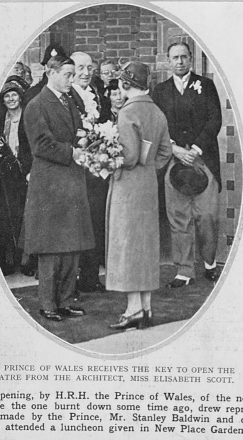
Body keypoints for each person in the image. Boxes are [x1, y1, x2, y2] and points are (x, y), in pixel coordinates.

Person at [22, 54, 94, 323]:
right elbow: (40, 144)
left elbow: (75, 132)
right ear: (50, 73)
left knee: (71, 246)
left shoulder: (68, 100)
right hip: (50, 185)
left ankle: (64, 300)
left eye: (73, 75)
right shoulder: (36, 105)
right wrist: (73, 151)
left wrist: (87, 141)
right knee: (52, 248)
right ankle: (48, 304)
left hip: (71, 182)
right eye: (67, 74)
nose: (71, 80)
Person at [105, 60, 173, 330]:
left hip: (128, 187)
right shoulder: (157, 112)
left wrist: (109, 160)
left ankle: (133, 309)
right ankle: (146, 307)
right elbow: (165, 152)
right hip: (147, 185)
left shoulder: (126, 112)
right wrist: (149, 168)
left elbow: (130, 156)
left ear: (125, 84)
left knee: (128, 245)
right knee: (145, 245)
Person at [152, 41, 223, 287]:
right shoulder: (159, 91)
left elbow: (215, 119)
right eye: (175, 58)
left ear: (191, 59)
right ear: (168, 61)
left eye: (184, 57)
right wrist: (174, 148)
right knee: (179, 217)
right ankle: (184, 271)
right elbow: (156, 125)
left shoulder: (206, 86)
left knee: (206, 216)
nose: (179, 61)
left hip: (203, 160)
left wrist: (194, 149)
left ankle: (210, 263)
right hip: (174, 160)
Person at [69, 50, 109, 293]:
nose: (85, 73)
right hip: (74, 169)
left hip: (94, 169)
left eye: (89, 68)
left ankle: (91, 276)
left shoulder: (95, 93)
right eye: (80, 68)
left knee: (95, 220)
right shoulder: (66, 95)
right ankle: (72, 279)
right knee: (76, 225)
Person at [0, 77, 31, 274]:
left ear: (20, 97)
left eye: (14, 95)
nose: (11, 99)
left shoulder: (27, 117)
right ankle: (13, 258)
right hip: (9, 174)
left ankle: (27, 261)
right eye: (7, 96)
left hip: (25, 172)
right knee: (11, 216)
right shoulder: (1, 121)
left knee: (25, 217)